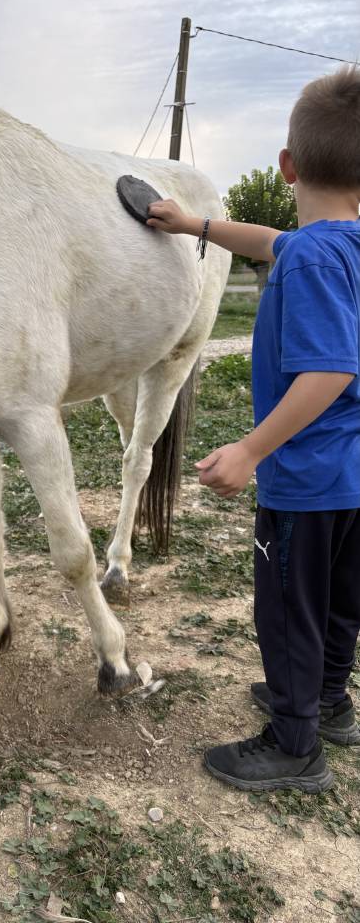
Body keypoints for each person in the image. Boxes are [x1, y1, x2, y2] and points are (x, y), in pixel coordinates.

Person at [147, 65, 360, 793]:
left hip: (303, 481)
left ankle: (294, 744)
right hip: (352, 479)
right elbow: (273, 238)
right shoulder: (343, 248)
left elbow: (329, 370)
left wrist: (249, 449)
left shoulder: (310, 260)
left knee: (289, 611)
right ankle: (329, 704)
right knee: (336, 604)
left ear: (287, 165)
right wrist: (195, 224)